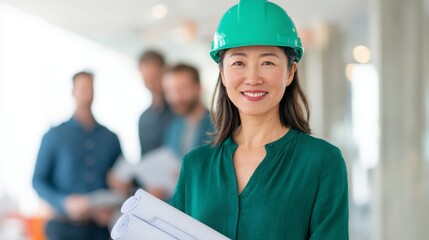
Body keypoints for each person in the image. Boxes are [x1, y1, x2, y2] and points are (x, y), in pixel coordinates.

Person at [169, 0, 349, 239]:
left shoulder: (322, 162)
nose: (252, 78)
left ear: (290, 72)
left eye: (267, 62)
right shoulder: (195, 166)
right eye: (238, 63)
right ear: (222, 73)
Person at [32, 71, 122, 240]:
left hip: (101, 229)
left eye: (91, 88)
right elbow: (38, 180)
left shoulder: (110, 138)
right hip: (62, 227)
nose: (87, 93)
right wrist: (63, 203)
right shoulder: (54, 135)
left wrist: (116, 194)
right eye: (82, 88)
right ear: (73, 92)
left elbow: (121, 178)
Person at [162, 63, 213, 158]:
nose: (175, 97)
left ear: (198, 88)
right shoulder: (173, 127)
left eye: (182, 89)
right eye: (169, 91)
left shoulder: (219, 127)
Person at [137, 50, 175, 156]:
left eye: (155, 78)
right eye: (147, 80)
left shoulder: (182, 111)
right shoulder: (144, 119)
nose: (152, 85)